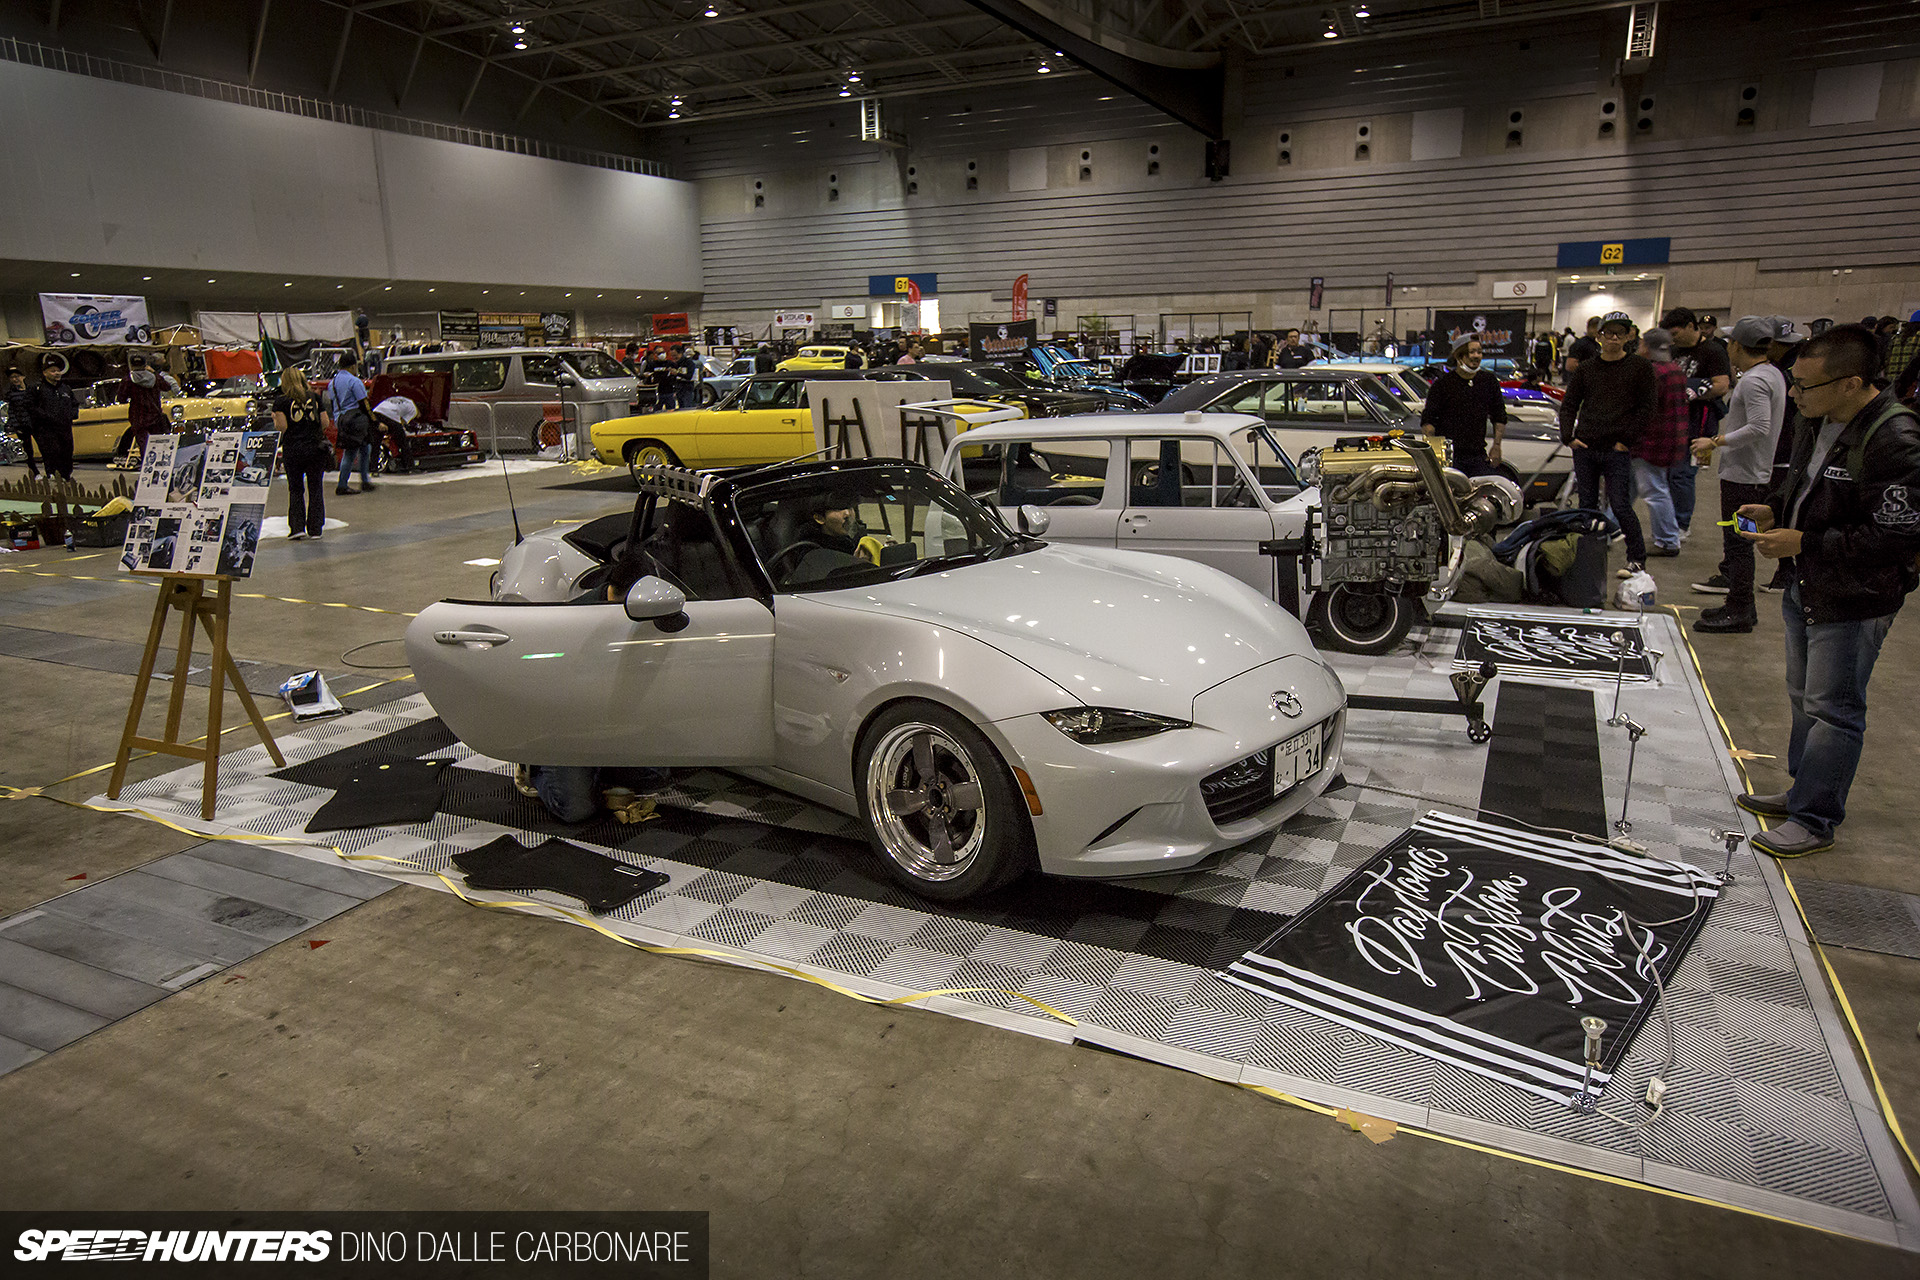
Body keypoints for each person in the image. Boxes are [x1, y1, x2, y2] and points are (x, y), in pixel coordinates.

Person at [1733, 324, 1920, 858]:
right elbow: (1816, 487)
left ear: (1851, 382)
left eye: (1805, 387)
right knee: (1804, 698)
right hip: (1809, 584)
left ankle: (1816, 818)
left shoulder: (1894, 438)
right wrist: (1777, 508)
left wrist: (1805, 542)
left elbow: (1896, 535)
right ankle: (1803, 792)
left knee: (1833, 707)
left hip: (1855, 596)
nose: (1793, 395)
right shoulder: (1821, 420)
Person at [1690, 317, 1790, 633]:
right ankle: (1738, 603)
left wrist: (1715, 440)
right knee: (1738, 541)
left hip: (1744, 479)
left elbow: (1759, 426)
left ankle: (1741, 609)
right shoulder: (1770, 374)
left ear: (1736, 345)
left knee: (1738, 542)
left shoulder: (1754, 380)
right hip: (1749, 474)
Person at [1557, 311, 1652, 571]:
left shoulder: (1640, 368)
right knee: (1586, 507)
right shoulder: (1587, 368)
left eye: (1619, 333)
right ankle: (1586, 559)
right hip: (1586, 447)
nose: (1613, 338)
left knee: (1621, 505)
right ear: (1599, 336)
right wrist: (1568, 437)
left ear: (1628, 336)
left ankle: (1636, 559)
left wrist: (1626, 441)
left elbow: (1646, 409)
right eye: (1608, 333)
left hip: (1616, 449)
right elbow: (1569, 405)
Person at [1631, 328, 1689, 559]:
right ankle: (1610, 529)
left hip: (1650, 442)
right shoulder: (1675, 370)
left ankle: (1667, 540)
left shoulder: (1652, 373)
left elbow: (1642, 410)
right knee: (1632, 489)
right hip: (1671, 440)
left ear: (1646, 346)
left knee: (1655, 491)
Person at [1420, 335, 1507, 477]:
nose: (1476, 356)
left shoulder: (1488, 382)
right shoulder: (1443, 385)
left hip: (1478, 456)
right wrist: (1435, 455)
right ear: (1459, 355)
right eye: (1471, 352)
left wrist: (1497, 446)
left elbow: (1499, 415)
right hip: (1451, 458)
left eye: (1479, 352)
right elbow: (1428, 420)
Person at [275, 366, 331, 540]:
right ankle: (315, 528)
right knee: (315, 488)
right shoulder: (314, 397)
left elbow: (282, 427)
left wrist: (276, 419)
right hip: (315, 448)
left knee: (296, 489)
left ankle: (297, 527)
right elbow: (325, 422)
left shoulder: (280, 401)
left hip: (293, 449)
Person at [118, 352, 177, 463]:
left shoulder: (128, 380)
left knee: (143, 445)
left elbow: (121, 398)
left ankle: (147, 467)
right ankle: (161, 465)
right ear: (145, 364)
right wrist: (154, 372)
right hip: (155, 414)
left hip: (138, 417)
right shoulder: (155, 378)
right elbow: (167, 386)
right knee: (159, 443)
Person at [26, 356, 78, 483]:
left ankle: (66, 476)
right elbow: (31, 407)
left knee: (67, 452)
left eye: (58, 370)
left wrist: (71, 414)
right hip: (47, 429)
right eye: (52, 371)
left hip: (65, 428)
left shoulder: (65, 389)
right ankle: (52, 474)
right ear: (45, 373)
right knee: (52, 452)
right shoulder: (37, 389)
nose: (56, 373)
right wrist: (46, 417)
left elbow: (74, 404)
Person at [327, 353, 373, 495]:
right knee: (352, 452)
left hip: (340, 419)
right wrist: (374, 421)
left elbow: (332, 403)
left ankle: (364, 480)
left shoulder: (332, 383)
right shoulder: (354, 381)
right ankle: (343, 484)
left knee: (364, 448)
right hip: (355, 420)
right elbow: (363, 403)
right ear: (353, 366)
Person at [4, 366, 40, 478]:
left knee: (45, 447)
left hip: (36, 424)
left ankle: (50, 471)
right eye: (12, 377)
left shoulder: (32, 390)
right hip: (22, 426)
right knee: (28, 451)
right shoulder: (10, 394)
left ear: (23, 377)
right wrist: (15, 426)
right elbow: (10, 411)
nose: (15, 379)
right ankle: (35, 472)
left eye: (17, 376)